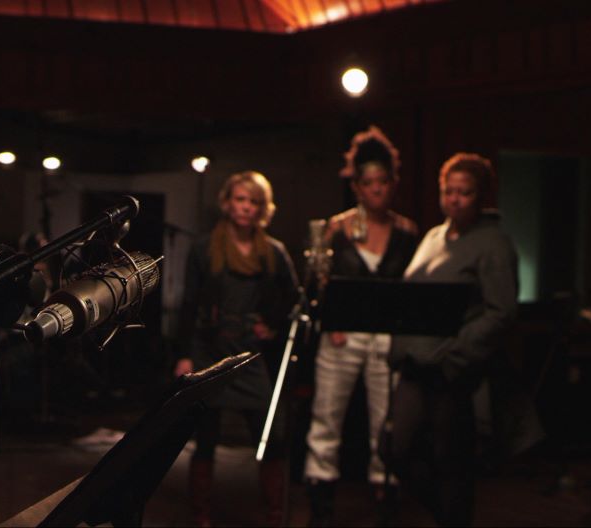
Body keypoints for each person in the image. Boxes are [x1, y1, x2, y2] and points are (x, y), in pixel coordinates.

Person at [383, 153, 518, 526]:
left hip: (451, 368)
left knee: (450, 458)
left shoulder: (492, 243)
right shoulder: (433, 236)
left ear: (480, 196)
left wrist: (457, 351)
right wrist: (399, 348)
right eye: (449, 191)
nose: (455, 199)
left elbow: (501, 310)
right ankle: (447, 517)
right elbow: (410, 297)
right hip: (415, 363)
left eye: (465, 192)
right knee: (398, 450)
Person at [303, 126, 418, 526]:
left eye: (383, 182)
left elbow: (411, 288)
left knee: (385, 420)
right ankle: (320, 501)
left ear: (393, 184)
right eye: (368, 183)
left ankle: (384, 494)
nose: (376, 190)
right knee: (327, 416)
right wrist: (332, 317)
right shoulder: (337, 228)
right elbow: (318, 283)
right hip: (342, 336)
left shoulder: (406, 231)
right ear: (357, 186)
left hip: (386, 337)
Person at [175, 171, 300, 527]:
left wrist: (271, 324)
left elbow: (293, 294)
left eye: (254, 201)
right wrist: (184, 354)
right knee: (207, 436)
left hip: (249, 350)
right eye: (241, 199)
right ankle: (201, 514)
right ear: (228, 202)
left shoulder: (272, 250)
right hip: (211, 346)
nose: (246, 207)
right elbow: (188, 303)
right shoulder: (204, 247)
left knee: (271, 433)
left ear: (263, 208)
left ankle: (274, 513)